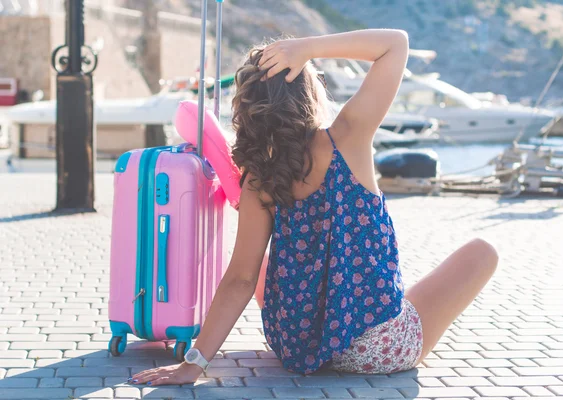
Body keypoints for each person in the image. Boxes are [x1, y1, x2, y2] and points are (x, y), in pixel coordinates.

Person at [131, 29, 498, 386]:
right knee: (483, 253)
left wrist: (194, 364)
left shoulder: (258, 179)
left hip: (295, 346)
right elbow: (395, 43)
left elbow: (240, 280)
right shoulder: (349, 136)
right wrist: (307, 47)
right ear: (309, 93)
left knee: (258, 258)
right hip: (375, 348)